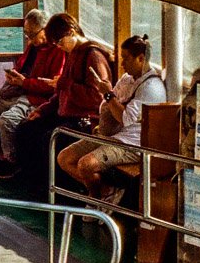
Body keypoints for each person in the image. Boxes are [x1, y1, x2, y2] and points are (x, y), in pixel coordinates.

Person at [10, 13, 113, 194]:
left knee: (49, 139)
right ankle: (32, 181)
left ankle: (59, 189)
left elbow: (97, 98)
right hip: (65, 114)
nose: (59, 46)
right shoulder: (72, 53)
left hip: (84, 119)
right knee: (25, 130)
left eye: (59, 41)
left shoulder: (93, 56)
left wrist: (66, 84)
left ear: (72, 32)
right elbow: (60, 93)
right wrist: (42, 110)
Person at [66, 34, 169, 196]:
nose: (122, 63)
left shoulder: (151, 87)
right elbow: (108, 105)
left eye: (126, 58)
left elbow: (124, 118)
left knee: (86, 165)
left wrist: (108, 95)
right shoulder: (127, 79)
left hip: (133, 144)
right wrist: (109, 97)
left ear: (141, 59)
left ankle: (97, 199)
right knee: (65, 158)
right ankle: (105, 191)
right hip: (114, 135)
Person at [0, 9, 64, 180]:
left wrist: (24, 82)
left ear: (45, 29)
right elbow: (21, 67)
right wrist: (13, 76)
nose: (29, 39)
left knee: (6, 120)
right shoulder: (32, 47)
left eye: (32, 34)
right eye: (27, 34)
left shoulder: (58, 51)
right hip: (16, 92)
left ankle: (12, 161)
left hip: (34, 98)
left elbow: (53, 87)